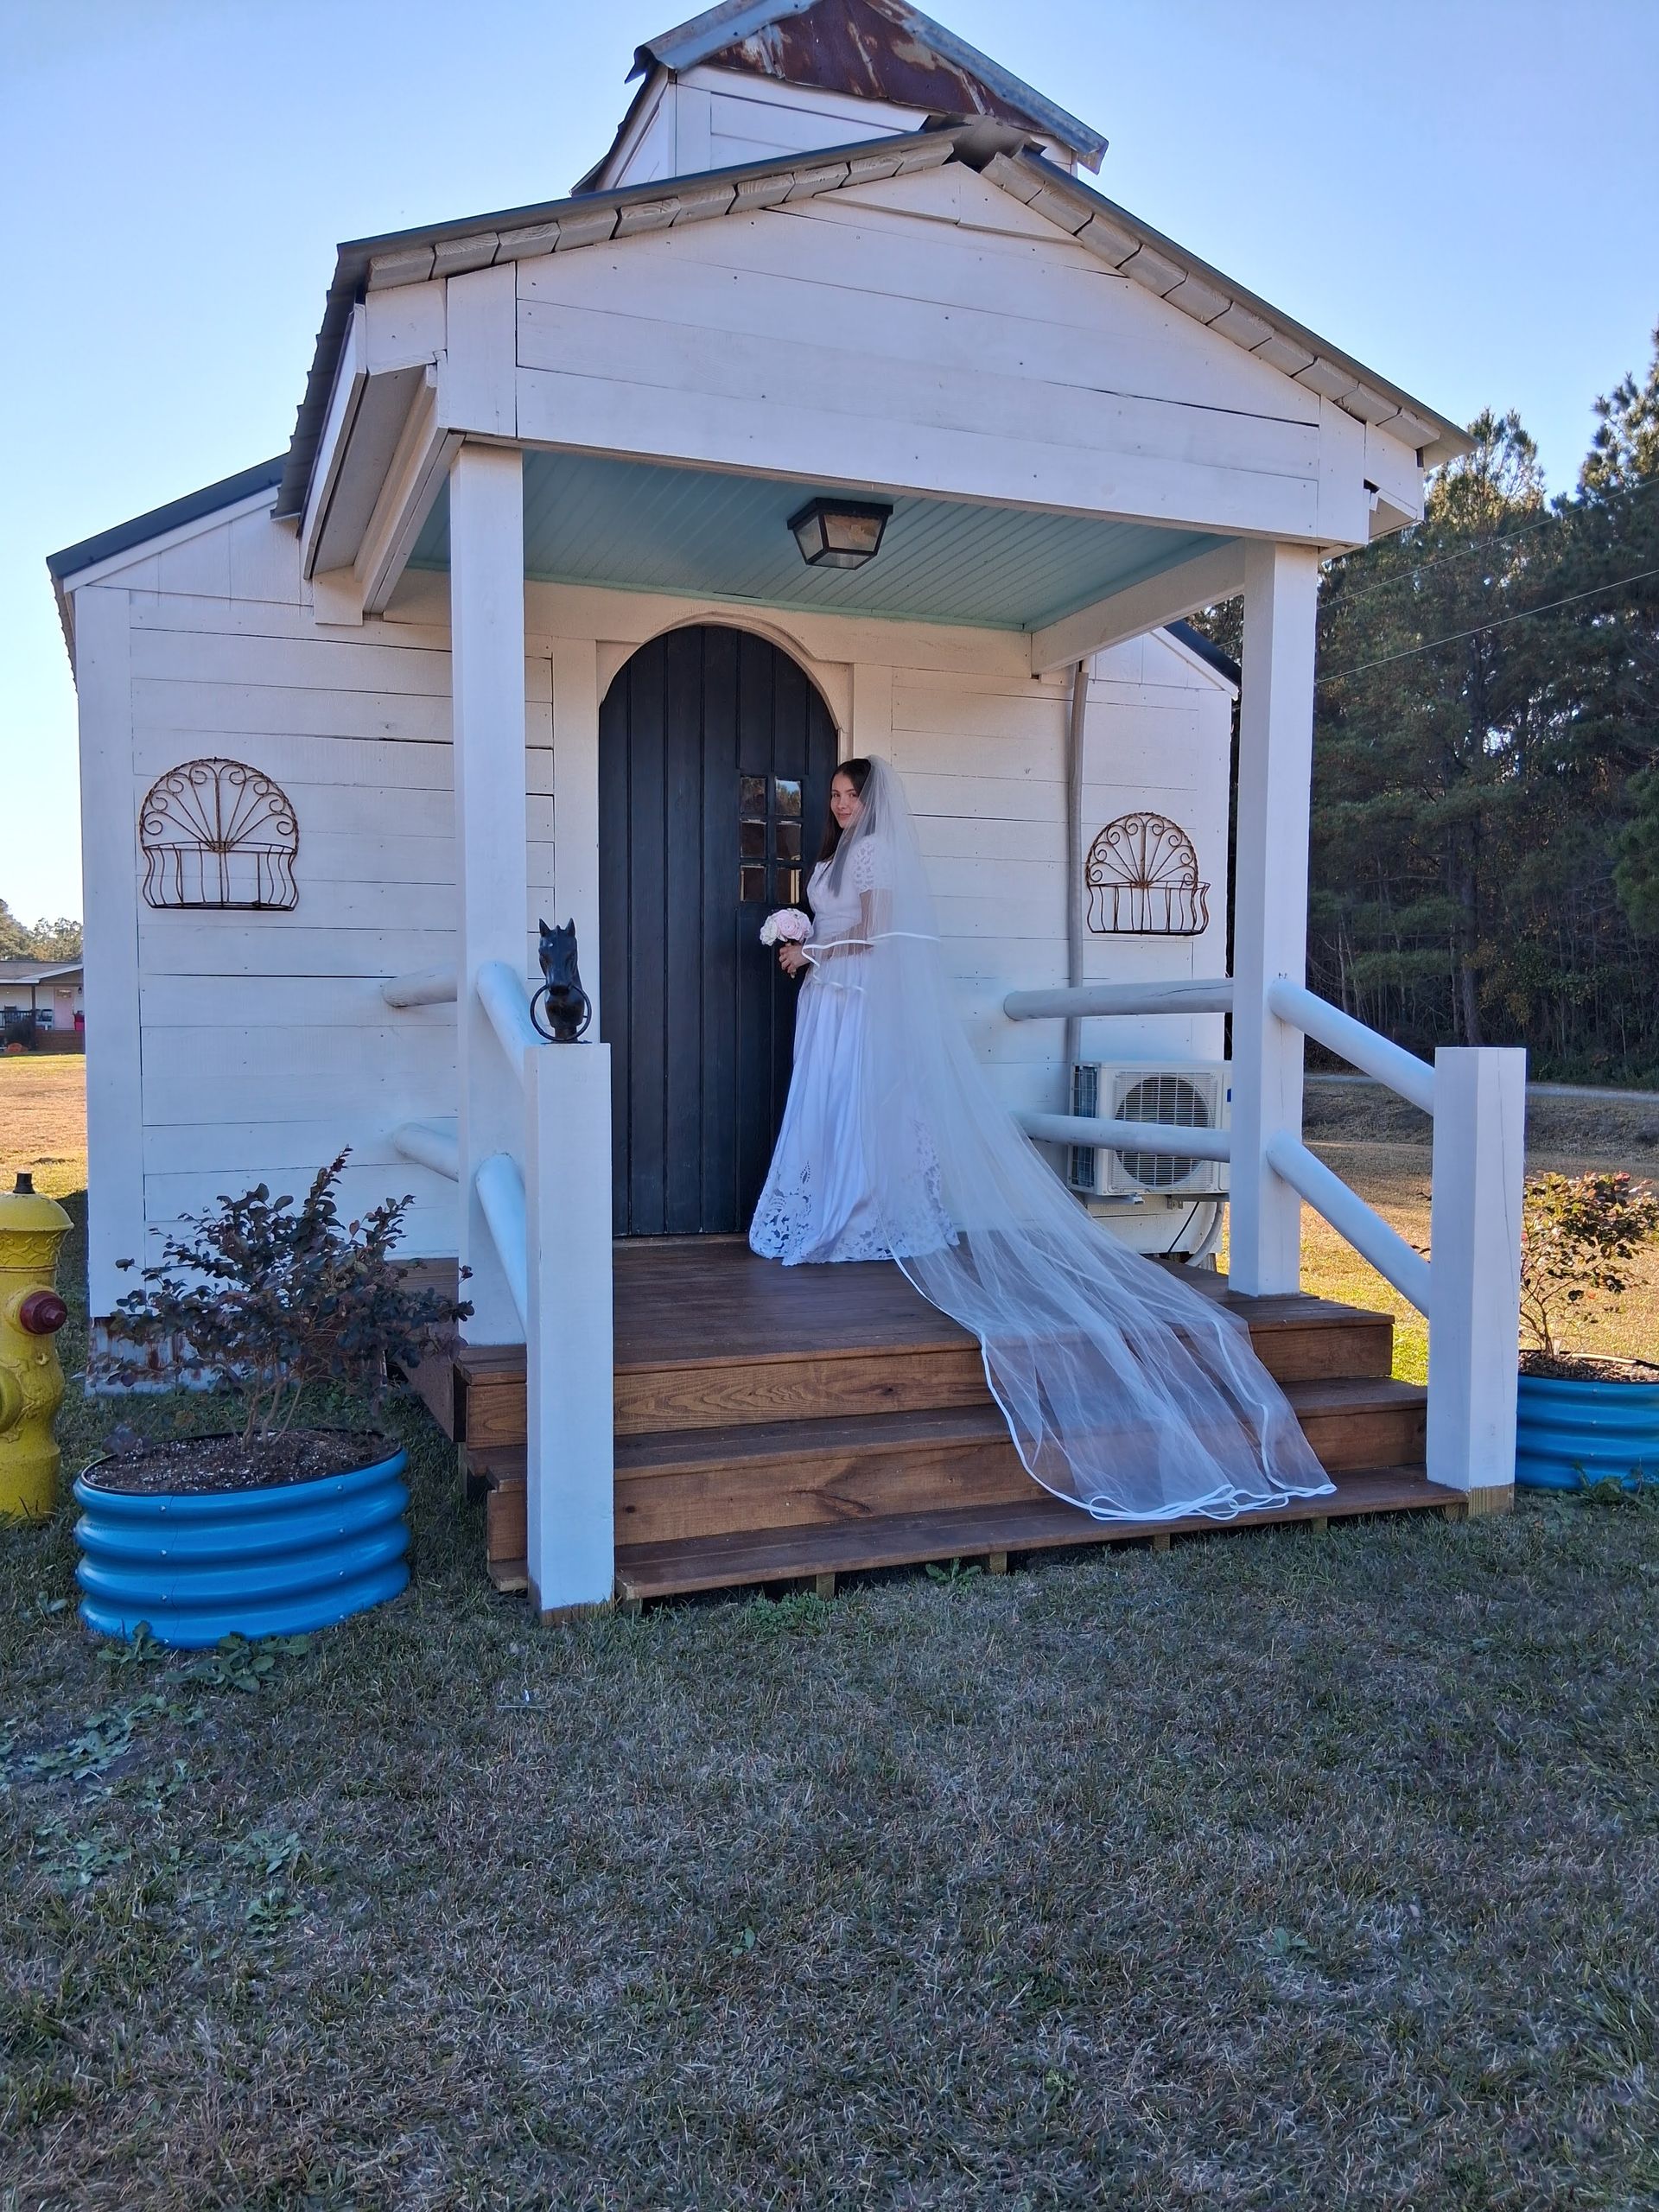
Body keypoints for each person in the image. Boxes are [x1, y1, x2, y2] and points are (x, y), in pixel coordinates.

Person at [749, 755, 1334, 1527]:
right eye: (835, 793)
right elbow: (837, 918)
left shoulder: (879, 852)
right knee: (820, 1109)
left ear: (872, 800)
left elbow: (877, 934)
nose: (842, 803)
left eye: (851, 793)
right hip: (826, 1002)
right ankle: (821, 1199)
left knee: (856, 1111)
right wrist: (800, 937)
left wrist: (810, 949)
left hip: (855, 999)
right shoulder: (830, 856)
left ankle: (860, 1209)